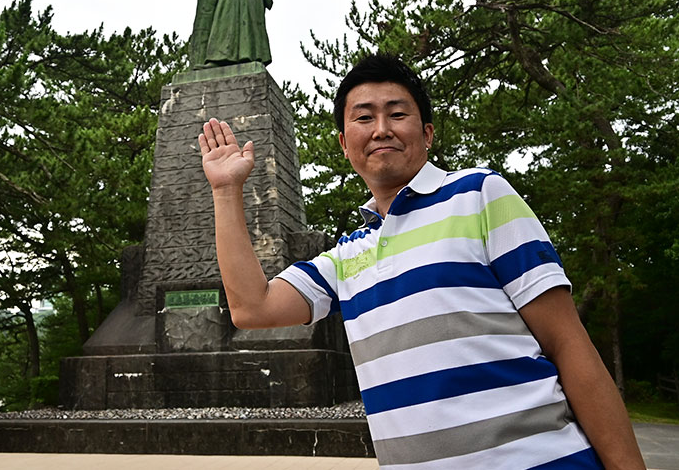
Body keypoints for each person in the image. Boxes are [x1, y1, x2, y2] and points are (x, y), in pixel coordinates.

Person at [198, 53, 645, 469]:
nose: (381, 129)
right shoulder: (346, 255)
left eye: (397, 113)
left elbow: (569, 344)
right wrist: (225, 192)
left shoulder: (479, 194)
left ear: (427, 133)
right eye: (364, 117)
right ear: (344, 142)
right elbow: (252, 308)